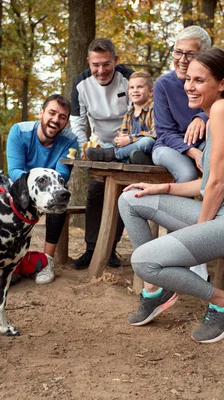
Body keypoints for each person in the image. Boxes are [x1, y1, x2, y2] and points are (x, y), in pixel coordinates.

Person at [118, 47, 224, 343]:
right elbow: (207, 184)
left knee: (143, 262)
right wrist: (161, 188)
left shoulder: (223, 110)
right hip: (223, 212)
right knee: (130, 199)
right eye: (188, 79)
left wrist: (200, 231)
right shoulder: (217, 112)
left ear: (221, 83)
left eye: (199, 80)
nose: (189, 87)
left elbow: (217, 185)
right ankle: (156, 290)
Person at [69, 38, 134, 270]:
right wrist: (85, 147)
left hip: (126, 146)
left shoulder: (129, 79)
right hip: (98, 147)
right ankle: (90, 248)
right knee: (95, 194)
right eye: (95, 64)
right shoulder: (81, 83)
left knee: (120, 195)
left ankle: (110, 248)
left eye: (106, 64)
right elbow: (77, 121)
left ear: (115, 60)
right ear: (89, 62)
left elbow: (136, 115)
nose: (101, 70)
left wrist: (125, 145)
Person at [5, 94, 78, 284]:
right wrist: (34, 186)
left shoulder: (71, 141)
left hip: (50, 187)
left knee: (60, 196)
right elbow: (14, 171)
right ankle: (11, 261)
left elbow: (62, 174)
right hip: (22, 185)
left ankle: (47, 262)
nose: (56, 120)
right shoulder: (19, 132)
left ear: (66, 121)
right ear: (41, 112)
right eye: (52, 113)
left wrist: (46, 190)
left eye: (62, 117)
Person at [152, 26, 211, 182]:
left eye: (190, 54)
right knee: (187, 174)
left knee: (219, 163)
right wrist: (193, 152)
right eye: (178, 52)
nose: (182, 60)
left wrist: (202, 117)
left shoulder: (212, 81)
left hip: (204, 143)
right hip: (168, 146)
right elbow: (165, 133)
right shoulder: (163, 85)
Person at [86, 71, 156, 165]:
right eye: (132, 87)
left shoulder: (154, 109)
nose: (135, 90)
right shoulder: (128, 114)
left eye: (140, 87)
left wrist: (129, 139)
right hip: (132, 150)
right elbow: (123, 135)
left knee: (147, 142)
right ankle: (132, 159)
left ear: (150, 92)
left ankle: (115, 155)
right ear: (128, 92)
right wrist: (118, 140)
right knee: (108, 145)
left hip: (148, 149)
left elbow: (155, 134)